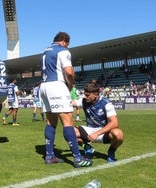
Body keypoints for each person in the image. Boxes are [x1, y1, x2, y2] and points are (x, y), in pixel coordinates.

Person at [40, 32, 92, 168]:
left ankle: (50, 155)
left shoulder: (45, 51)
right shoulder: (63, 51)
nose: (68, 46)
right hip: (57, 85)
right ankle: (77, 158)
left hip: (44, 86)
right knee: (68, 120)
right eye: (68, 43)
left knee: (51, 121)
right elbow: (68, 72)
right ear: (64, 41)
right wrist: (71, 84)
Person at [73, 82, 124, 162]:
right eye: (85, 94)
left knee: (119, 134)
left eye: (87, 95)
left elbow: (114, 123)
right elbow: (72, 103)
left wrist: (96, 134)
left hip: (104, 132)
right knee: (69, 132)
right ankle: (87, 148)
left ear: (96, 94)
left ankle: (111, 151)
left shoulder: (106, 103)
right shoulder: (84, 101)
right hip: (89, 130)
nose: (85, 97)